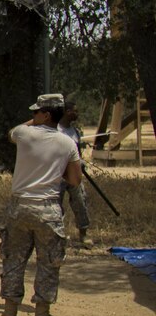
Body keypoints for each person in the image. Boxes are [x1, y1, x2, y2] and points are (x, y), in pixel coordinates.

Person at [0, 93, 82, 316]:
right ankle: (42, 314)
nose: (32, 116)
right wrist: (56, 172)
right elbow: (75, 180)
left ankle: (9, 312)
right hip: (48, 208)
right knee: (48, 262)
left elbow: (12, 132)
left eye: (36, 112)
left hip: (20, 206)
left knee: (13, 259)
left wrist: (33, 123)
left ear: (46, 114)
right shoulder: (68, 143)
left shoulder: (24, 134)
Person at [58, 100, 90, 245]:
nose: (76, 114)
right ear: (66, 112)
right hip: (57, 175)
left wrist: (80, 163)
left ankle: (83, 234)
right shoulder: (55, 130)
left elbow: (77, 153)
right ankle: (57, 235)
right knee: (56, 206)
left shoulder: (75, 132)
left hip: (73, 175)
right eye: (74, 111)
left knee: (80, 202)